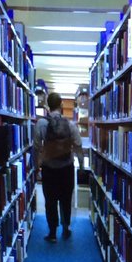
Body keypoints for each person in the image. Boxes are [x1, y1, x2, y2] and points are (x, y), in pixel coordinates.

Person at [35, 92, 83, 242]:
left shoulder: (41, 124)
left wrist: (37, 167)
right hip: (66, 168)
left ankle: (52, 233)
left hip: (49, 169)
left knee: (50, 201)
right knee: (65, 199)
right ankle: (66, 228)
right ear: (61, 104)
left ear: (48, 105)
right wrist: (81, 165)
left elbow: (37, 147)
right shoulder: (70, 124)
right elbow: (78, 145)